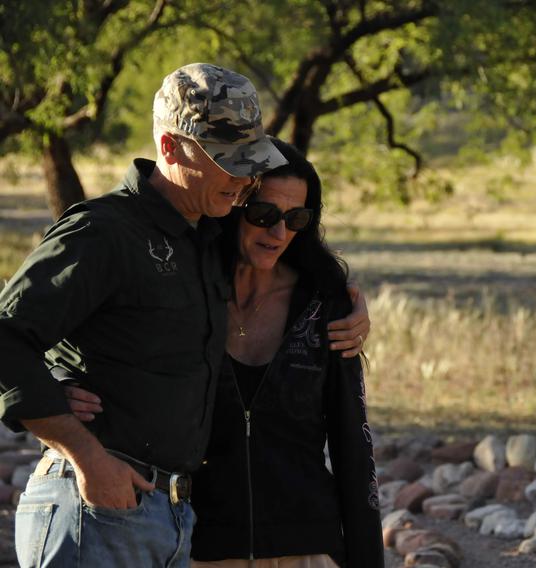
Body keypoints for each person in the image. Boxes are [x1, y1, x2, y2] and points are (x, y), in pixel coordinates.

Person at [0, 63, 369, 567]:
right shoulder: (105, 232)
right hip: (98, 506)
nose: (243, 178)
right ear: (170, 148)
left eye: (250, 161)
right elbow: (8, 334)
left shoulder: (202, 240)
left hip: (172, 519)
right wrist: (82, 449)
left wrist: (345, 301)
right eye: (228, 160)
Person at [68, 138, 384, 567]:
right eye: (264, 214)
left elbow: (353, 447)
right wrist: (60, 380)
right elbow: (89, 336)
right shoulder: (182, 293)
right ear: (233, 204)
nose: (279, 233)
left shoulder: (325, 305)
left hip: (308, 546)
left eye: (297, 218)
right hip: (198, 544)